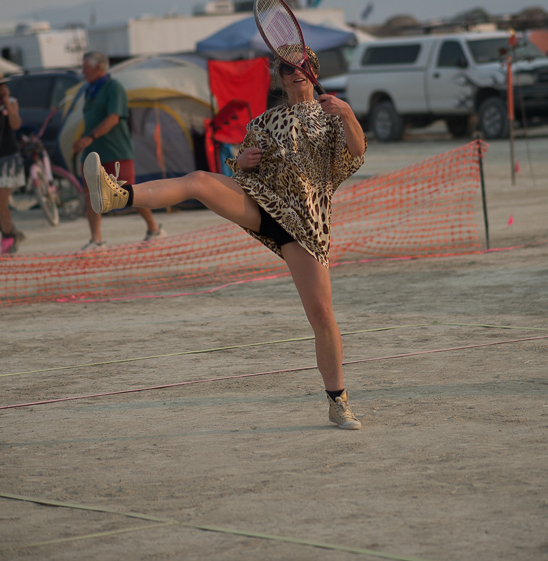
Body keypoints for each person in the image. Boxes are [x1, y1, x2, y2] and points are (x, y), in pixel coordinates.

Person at [84, 48, 367, 429]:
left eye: (304, 66)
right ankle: (118, 195)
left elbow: (356, 154)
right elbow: (242, 168)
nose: (297, 72)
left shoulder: (332, 116)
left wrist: (348, 113)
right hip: (263, 204)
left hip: (304, 223)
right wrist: (244, 161)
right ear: (279, 76)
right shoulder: (264, 122)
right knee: (199, 181)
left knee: (322, 316)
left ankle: (338, 400)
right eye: (288, 67)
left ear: (313, 71)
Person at [73, 51, 165, 249]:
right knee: (91, 194)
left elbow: (113, 118)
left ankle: (154, 228)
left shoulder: (114, 88)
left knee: (127, 192)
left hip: (115, 151)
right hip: (93, 151)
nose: (82, 71)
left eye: (86, 68)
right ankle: (96, 240)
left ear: (98, 68)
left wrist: (89, 137)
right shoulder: (90, 90)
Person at [0, 73, 26, 254]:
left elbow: (16, 124)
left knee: (1, 201)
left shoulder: (11, 103)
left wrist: (7, 102)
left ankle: (10, 235)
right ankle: (11, 233)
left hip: (9, 160)